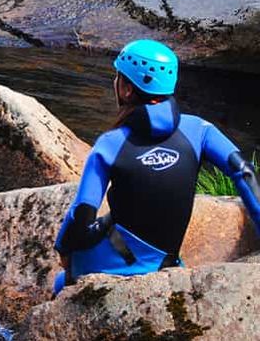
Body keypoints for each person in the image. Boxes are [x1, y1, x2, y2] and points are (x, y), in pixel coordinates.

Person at [52, 39, 260, 295]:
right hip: (166, 259)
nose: (114, 83)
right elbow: (245, 172)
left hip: (119, 258)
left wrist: (64, 251)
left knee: (61, 282)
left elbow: (82, 212)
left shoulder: (110, 144)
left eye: (118, 77)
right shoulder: (199, 130)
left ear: (127, 90)